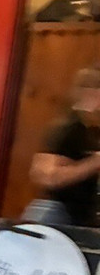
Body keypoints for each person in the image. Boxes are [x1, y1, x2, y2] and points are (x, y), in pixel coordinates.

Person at [26, 66, 100, 227]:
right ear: (91, 94)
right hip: (56, 216)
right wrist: (93, 163)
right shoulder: (68, 128)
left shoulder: (91, 131)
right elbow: (46, 175)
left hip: (80, 218)